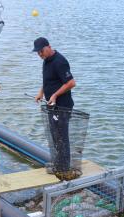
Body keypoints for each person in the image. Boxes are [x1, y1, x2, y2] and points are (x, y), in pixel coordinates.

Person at [32, 37, 76, 174]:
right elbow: (48, 81)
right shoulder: (46, 61)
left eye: (42, 51)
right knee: (55, 135)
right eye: (38, 53)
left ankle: (64, 168)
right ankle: (59, 164)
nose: (40, 55)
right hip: (52, 106)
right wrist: (41, 92)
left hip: (63, 106)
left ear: (49, 47)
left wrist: (55, 95)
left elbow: (71, 83)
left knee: (62, 136)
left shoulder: (60, 62)